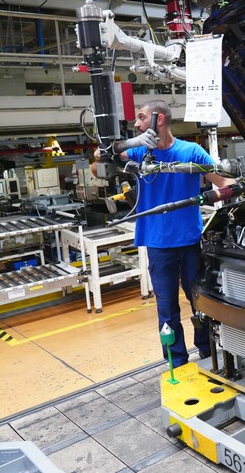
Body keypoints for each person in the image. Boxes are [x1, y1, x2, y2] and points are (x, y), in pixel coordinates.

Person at [95, 100, 233, 367]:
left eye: (141, 118)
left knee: (201, 303)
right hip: (158, 244)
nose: (136, 123)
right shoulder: (139, 153)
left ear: (159, 120)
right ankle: (176, 362)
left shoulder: (191, 151)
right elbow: (97, 165)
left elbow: (224, 181)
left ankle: (207, 353)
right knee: (166, 309)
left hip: (191, 242)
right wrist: (125, 145)